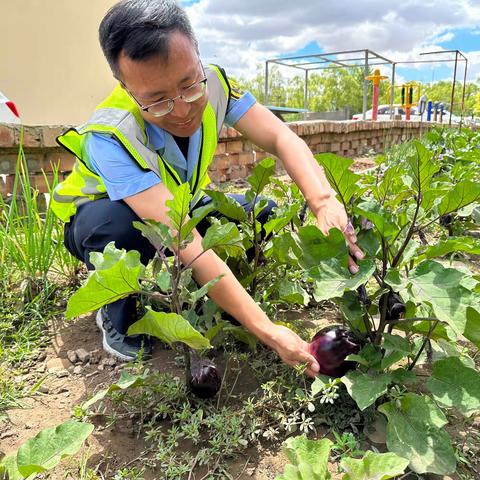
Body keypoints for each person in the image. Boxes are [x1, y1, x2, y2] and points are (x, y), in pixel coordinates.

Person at [51, 0, 362, 377]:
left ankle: (213, 294)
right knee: (119, 229)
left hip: (174, 205)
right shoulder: (110, 134)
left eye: (188, 85)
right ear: (127, 88)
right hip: (101, 218)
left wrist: (324, 202)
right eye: (157, 100)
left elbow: (280, 136)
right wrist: (266, 329)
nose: (181, 109)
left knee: (258, 212)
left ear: (198, 54)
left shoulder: (215, 84)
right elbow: (184, 239)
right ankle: (117, 310)